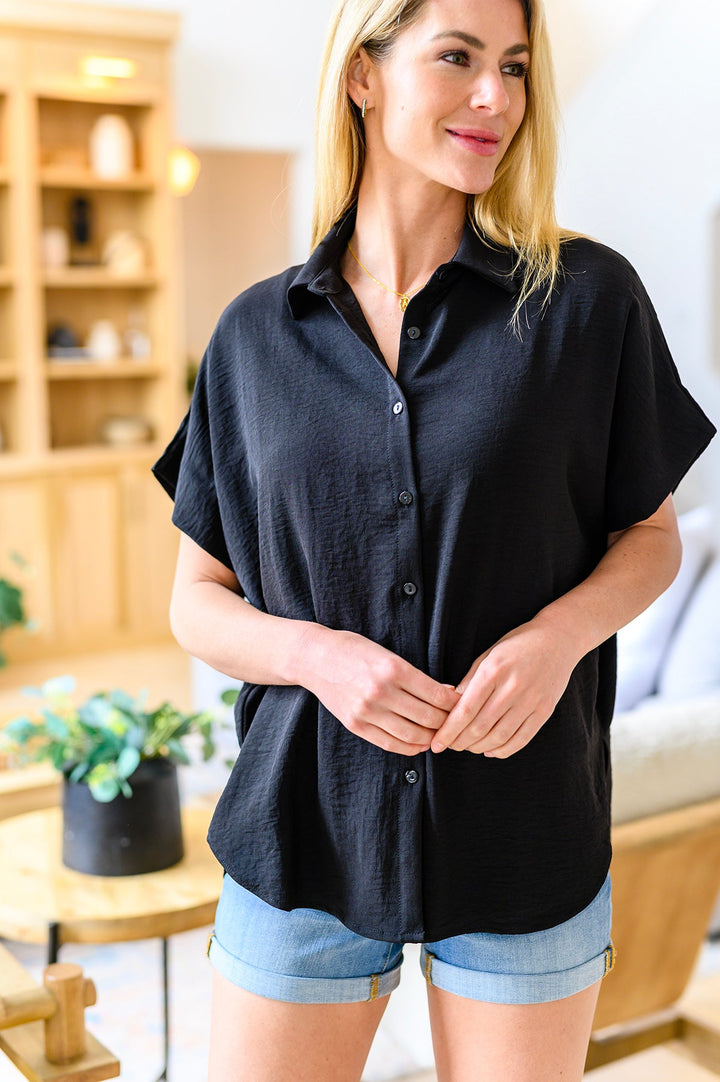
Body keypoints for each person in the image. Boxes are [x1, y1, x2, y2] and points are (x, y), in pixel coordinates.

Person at [153, 0, 716, 1078]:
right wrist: (318, 656)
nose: (495, 97)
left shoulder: (587, 301)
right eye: (456, 57)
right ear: (362, 75)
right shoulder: (253, 339)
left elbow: (651, 534)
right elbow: (196, 598)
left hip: (525, 828)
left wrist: (556, 637)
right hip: (302, 828)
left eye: (513, 66)